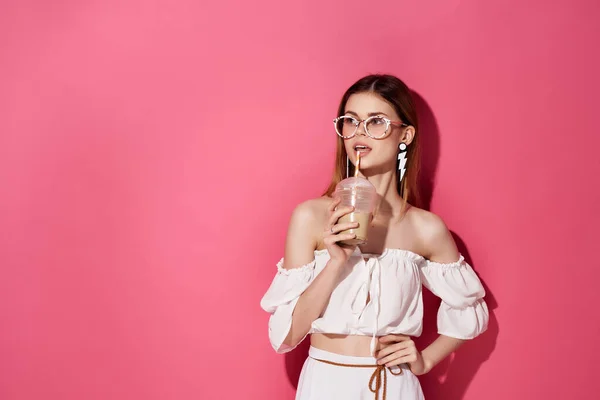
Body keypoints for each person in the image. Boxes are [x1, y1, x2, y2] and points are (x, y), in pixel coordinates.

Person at [260, 74, 489, 399]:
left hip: (392, 386)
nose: (359, 133)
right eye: (350, 121)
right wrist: (335, 263)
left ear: (405, 135)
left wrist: (425, 360)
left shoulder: (425, 228)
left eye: (376, 122)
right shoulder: (311, 217)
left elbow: (470, 309)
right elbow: (285, 336)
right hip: (326, 383)